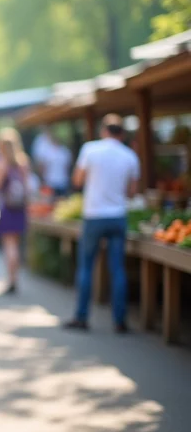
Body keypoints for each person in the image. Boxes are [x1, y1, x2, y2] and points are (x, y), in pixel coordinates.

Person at [64, 114, 140, 333]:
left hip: (94, 215)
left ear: (103, 131)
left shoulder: (90, 149)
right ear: (122, 134)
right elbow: (132, 191)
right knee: (117, 268)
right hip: (118, 216)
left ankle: (81, 317)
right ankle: (119, 320)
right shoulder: (130, 156)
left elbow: (77, 180)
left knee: (86, 266)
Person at [0, 127, 31, 294]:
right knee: (16, 244)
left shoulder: (0, 163)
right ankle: (15, 278)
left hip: (6, 207)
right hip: (20, 207)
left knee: (9, 245)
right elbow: (28, 187)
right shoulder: (23, 162)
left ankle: (11, 280)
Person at [34, 130, 73, 197]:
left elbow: (67, 167)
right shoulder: (47, 151)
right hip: (50, 183)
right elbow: (42, 167)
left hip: (63, 182)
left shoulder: (65, 151)